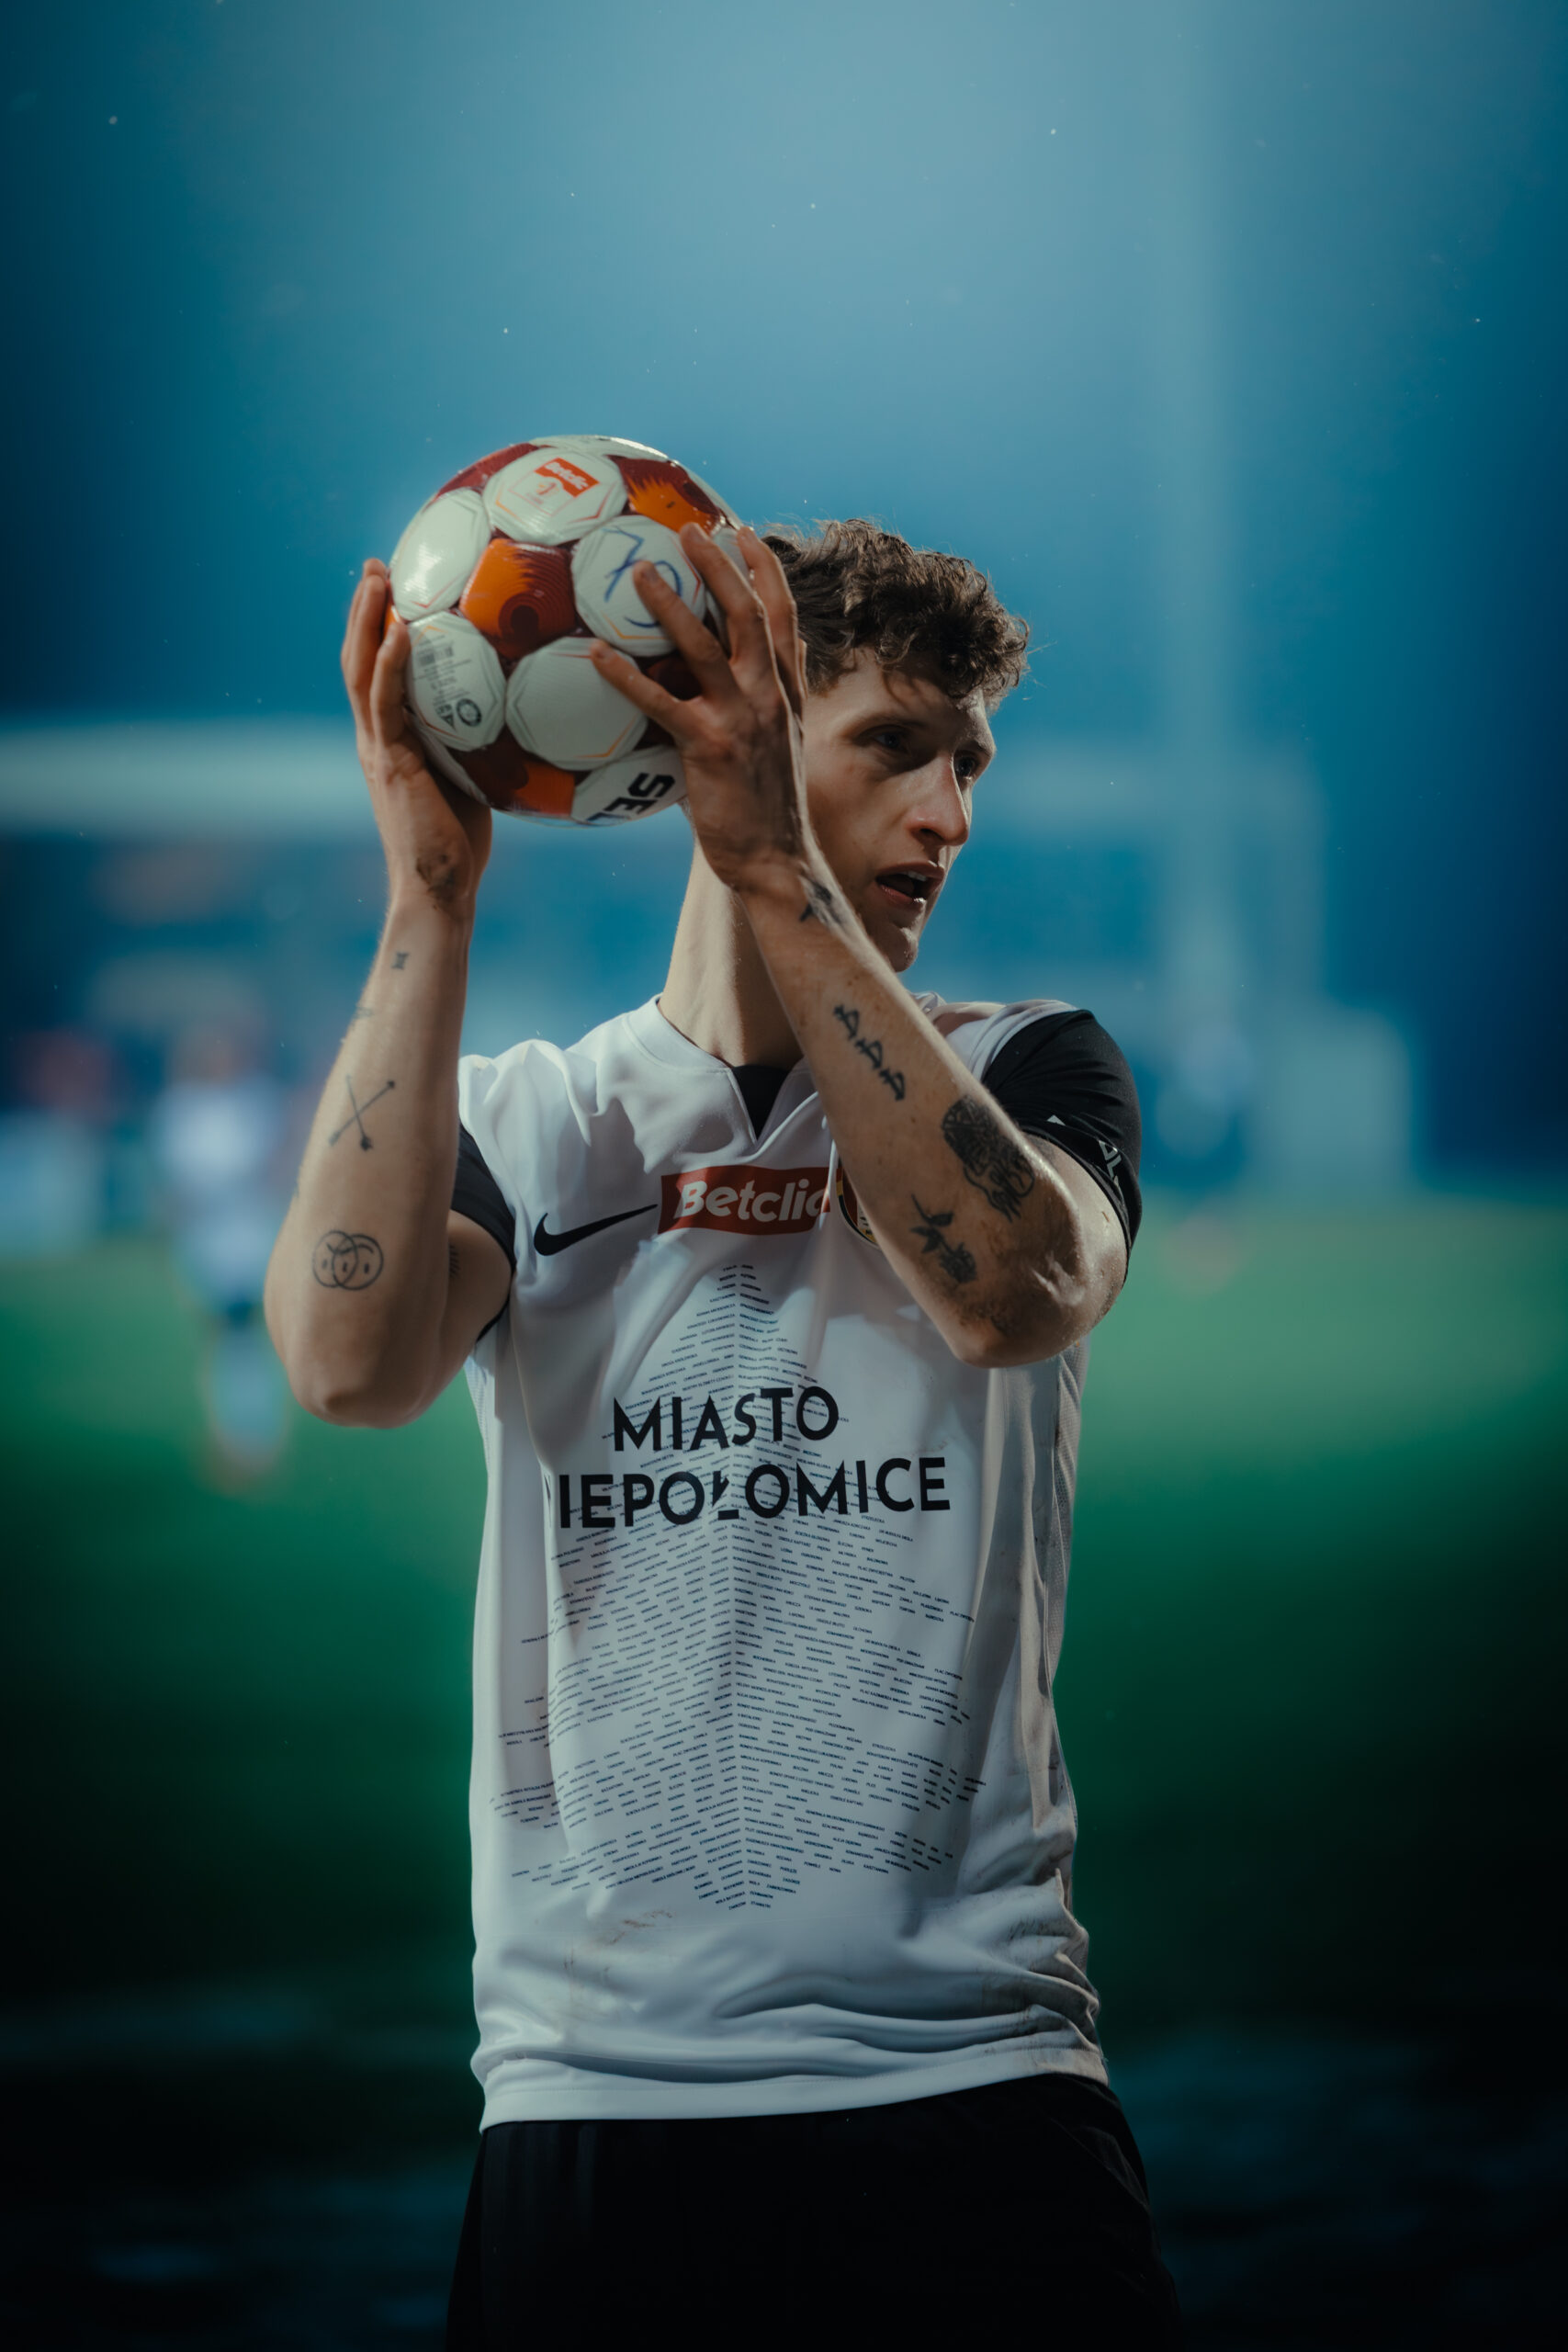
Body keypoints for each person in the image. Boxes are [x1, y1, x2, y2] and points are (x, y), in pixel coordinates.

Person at [265, 517, 1180, 2342]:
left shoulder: (1025, 1063)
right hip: (595, 2095)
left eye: (969, 764)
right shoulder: (529, 1119)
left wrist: (776, 865)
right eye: (895, 745)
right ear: (721, 725)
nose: (950, 815)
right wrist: (429, 898)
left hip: (973, 2076)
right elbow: (345, 1361)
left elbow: (1010, 1293)